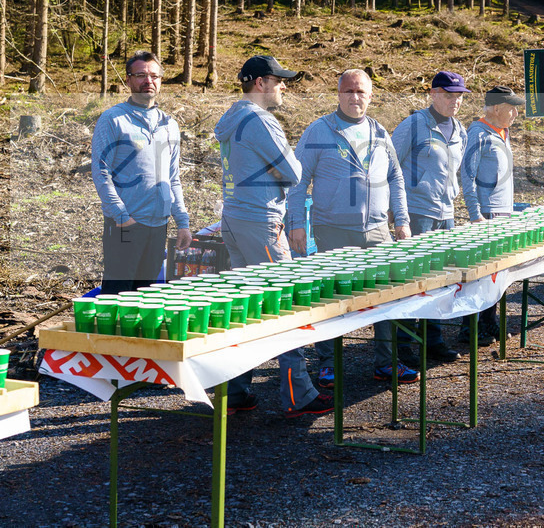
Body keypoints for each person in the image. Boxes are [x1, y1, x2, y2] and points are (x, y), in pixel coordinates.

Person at [214, 55, 333, 418]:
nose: (284, 86)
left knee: (246, 309)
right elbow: (295, 172)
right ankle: (299, 394)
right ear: (261, 83)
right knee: (285, 306)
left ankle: (234, 391)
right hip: (261, 222)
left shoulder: (231, 117)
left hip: (234, 219)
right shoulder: (261, 122)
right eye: (279, 80)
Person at [287, 69, 415, 386]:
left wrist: (402, 219)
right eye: (348, 91)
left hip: (376, 232)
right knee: (332, 296)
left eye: (361, 92)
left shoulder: (381, 134)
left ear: (370, 96)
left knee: (387, 294)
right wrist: (296, 224)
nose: (355, 97)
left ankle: (386, 362)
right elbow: (297, 181)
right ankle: (329, 363)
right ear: (339, 94)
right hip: (332, 229)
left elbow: (396, 180)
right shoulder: (319, 131)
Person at [91, 51, 191, 294]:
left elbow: (173, 177)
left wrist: (183, 222)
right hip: (126, 224)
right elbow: (101, 171)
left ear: (161, 81)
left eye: (154, 76)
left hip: (158, 224)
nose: (149, 81)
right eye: (141, 75)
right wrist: (120, 215)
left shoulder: (169, 124)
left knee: (146, 294)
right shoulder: (114, 119)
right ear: (128, 80)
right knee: (117, 293)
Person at [390, 71, 469, 364]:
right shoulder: (413, 125)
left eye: (459, 96)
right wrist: (397, 214)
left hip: (446, 213)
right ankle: (404, 345)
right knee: (413, 279)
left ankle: (432, 339)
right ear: (433, 94)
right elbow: (390, 167)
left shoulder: (460, 130)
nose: (455, 101)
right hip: (416, 211)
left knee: (439, 279)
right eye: (449, 95)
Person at [459, 85, 526, 344]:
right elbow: (467, 176)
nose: (516, 114)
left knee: (497, 274)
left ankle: (490, 322)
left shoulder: (502, 132)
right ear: (496, 108)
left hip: (502, 214)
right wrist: (476, 214)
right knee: (480, 275)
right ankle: (470, 328)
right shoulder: (477, 134)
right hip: (487, 215)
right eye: (512, 108)